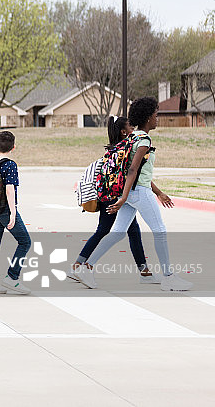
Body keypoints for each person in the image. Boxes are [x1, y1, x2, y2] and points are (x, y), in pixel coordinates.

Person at [77, 97, 193, 291]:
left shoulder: (131, 137)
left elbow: (136, 171)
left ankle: (86, 267)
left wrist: (133, 195)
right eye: (156, 115)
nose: (157, 119)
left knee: (118, 232)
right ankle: (168, 277)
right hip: (138, 192)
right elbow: (132, 169)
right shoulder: (144, 139)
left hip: (131, 192)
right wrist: (123, 198)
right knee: (160, 230)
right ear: (148, 117)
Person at [68, 117, 157, 284]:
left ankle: (145, 272)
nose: (134, 128)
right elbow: (134, 172)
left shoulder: (114, 149)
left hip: (107, 194)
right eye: (131, 126)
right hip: (115, 197)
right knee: (106, 230)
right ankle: (78, 266)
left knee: (131, 231)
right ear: (124, 131)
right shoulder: (126, 149)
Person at [0, 131, 32, 295]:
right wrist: (13, 213)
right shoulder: (10, 165)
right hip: (5, 210)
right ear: (13, 147)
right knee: (25, 242)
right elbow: (10, 190)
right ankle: (12, 277)